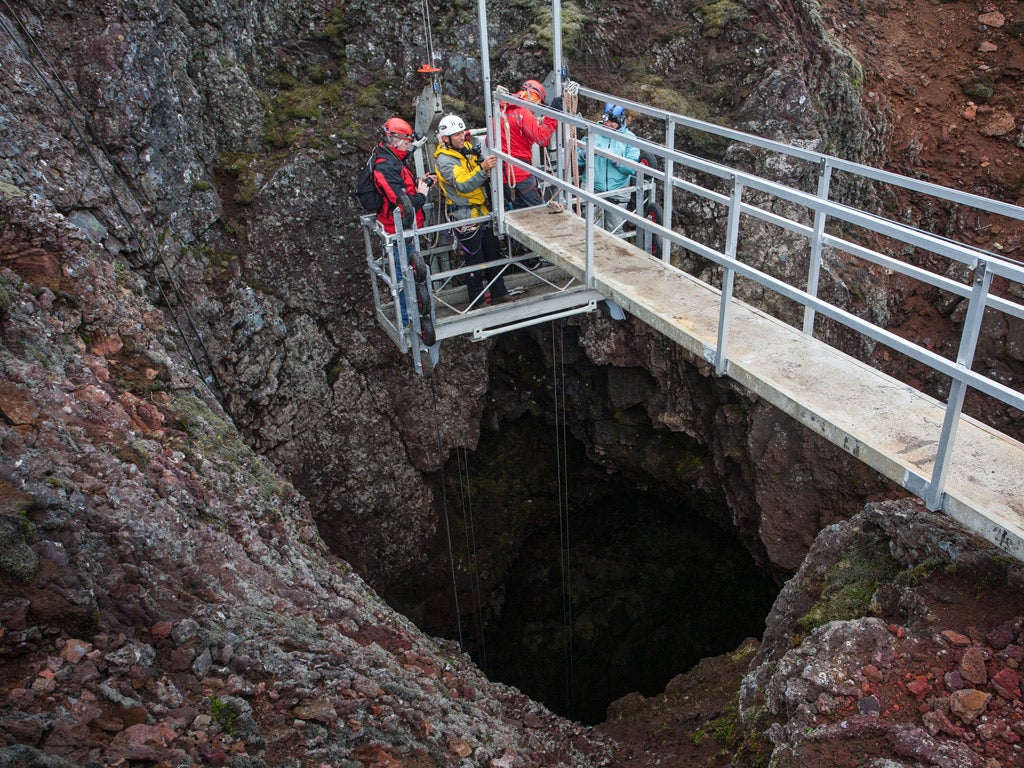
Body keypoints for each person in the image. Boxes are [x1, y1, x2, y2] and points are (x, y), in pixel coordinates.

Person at [433, 114, 510, 307]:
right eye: (457, 134)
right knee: (474, 259)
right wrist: (483, 169)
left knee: (493, 252)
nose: (462, 137)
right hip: (465, 214)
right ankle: (477, 299)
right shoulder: (444, 161)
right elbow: (463, 184)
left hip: (481, 210)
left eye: (462, 132)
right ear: (446, 139)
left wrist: (481, 164)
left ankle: (499, 292)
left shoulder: (465, 149)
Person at [371, 116, 434, 324]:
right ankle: (408, 319)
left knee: (411, 273)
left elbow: (402, 187)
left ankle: (415, 313)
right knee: (403, 277)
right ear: (396, 140)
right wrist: (422, 195)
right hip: (397, 231)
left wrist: (418, 182)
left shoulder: (392, 160)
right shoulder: (384, 166)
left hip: (405, 230)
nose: (409, 146)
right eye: (407, 142)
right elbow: (401, 202)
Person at [580, 103, 642, 234]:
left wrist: (618, 162)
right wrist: (584, 155)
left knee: (615, 231)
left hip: (618, 190)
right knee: (590, 230)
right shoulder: (592, 132)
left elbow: (633, 167)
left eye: (612, 122)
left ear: (621, 121)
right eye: (606, 120)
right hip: (592, 187)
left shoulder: (629, 138)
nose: (608, 124)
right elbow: (574, 158)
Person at [497, 79, 556, 209]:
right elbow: (542, 139)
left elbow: (488, 140)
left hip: (502, 174)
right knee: (539, 211)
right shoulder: (523, 112)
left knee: (518, 210)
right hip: (520, 173)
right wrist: (552, 117)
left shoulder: (501, 109)